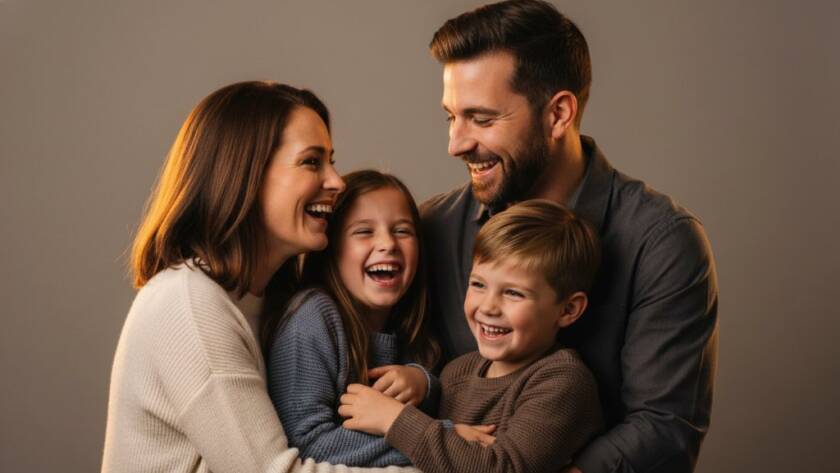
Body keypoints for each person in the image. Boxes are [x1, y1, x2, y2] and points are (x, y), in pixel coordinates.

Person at [420, 1, 719, 472]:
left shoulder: (661, 242)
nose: (456, 143)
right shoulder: (433, 228)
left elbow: (664, 428)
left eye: (481, 119)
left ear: (558, 114)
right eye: (450, 117)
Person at [102, 81, 420, 473]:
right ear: (245, 174)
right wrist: (449, 457)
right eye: (311, 162)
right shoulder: (189, 305)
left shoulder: (267, 303)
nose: (337, 182)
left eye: (331, 162)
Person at [338, 200, 605, 473]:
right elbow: (437, 453)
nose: (488, 307)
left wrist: (394, 419)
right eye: (478, 284)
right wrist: (418, 381)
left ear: (568, 309)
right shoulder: (457, 371)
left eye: (513, 293)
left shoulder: (563, 381)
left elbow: (503, 467)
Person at [265, 170, 440, 467]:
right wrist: (438, 441)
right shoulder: (311, 316)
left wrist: (423, 383)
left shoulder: (408, 324)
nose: (388, 243)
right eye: (364, 232)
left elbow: (442, 400)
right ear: (332, 249)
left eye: (402, 231)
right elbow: (307, 441)